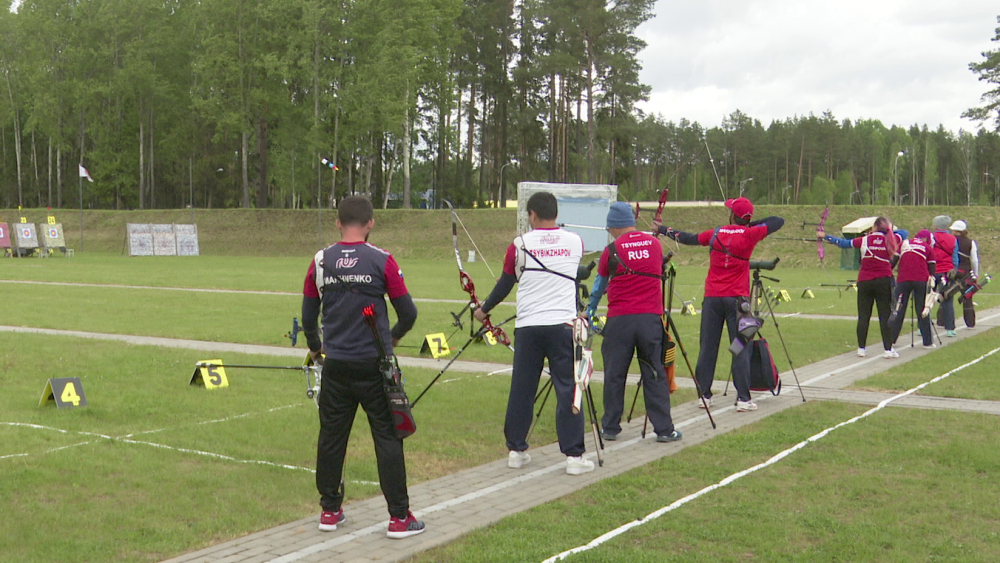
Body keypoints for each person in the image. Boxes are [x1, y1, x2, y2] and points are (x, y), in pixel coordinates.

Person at [300, 195, 424, 539]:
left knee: (331, 437)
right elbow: (408, 313)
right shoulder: (382, 261)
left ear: (339, 223)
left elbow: (309, 316)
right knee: (387, 436)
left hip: (337, 364)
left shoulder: (321, 261)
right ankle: (399, 518)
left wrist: (316, 348)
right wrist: (393, 338)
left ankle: (329, 510)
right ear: (370, 223)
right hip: (375, 366)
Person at [474, 191, 593, 475]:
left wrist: (484, 309)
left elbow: (506, 282)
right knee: (568, 387)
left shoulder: (519, 245)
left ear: (532, 215)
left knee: (523, 388)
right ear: (555, 214)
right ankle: (574, 457)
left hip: (528, 326)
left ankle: (516, 450)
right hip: (562, 325)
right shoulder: (575, 241)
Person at [654, 197, 784, 412]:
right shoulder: (751, 233)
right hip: (737, 301)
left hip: (712, 299)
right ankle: (743, 399)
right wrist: (746, 225)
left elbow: (687, 238)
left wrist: (664, 229)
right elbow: (777, 220)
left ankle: (704, 396)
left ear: (733, 215)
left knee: (708, 347)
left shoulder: (715, 233)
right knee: (739, 347)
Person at [584, 202, 681, 443]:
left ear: (614, 226)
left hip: (619, 320)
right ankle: (664, 429)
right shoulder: (655, 245)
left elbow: (599, 286)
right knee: (654, 372)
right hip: (650, 319)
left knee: (615, 374)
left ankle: (610, 427)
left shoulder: (612, 250)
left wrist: (590, 310)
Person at [821, 217, 905, 359]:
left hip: (865, 281)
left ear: (875, 227)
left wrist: (826, 236)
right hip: (883, 281)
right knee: (885, 316)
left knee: (863, 316)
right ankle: (888, 350)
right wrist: (889, 230)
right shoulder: (892, 239)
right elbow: (904, 232)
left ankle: (861, 348)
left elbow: (843, 243)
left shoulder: (864, 240)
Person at [888, 229, 936, 348]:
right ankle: (927, 341)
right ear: (927, 239)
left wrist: (888, 272)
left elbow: (893, 261)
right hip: (921, 280)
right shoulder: (927, 247)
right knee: (922, 309)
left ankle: (890, 339)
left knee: (898, 308)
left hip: (903, 280)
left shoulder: (904, 243)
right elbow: (932, 268)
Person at [930, 215, 959, 337]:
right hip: (946, 272)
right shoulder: (952, 239)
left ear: (936, 226)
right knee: (947, 299)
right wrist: (954, 269)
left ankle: (923, 327)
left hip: (932, 271)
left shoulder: (931, 237)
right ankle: (950, 328)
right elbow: (955, 257)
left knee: (927, 299)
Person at [950, 220, 980, 328]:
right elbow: (975, 260)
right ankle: (970, 322)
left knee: (947, 296)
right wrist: (975, 274)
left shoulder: (949, 240)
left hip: (952, 271)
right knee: (967, 297)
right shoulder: (970, 242)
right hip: (966, 273)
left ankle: (942, 321)